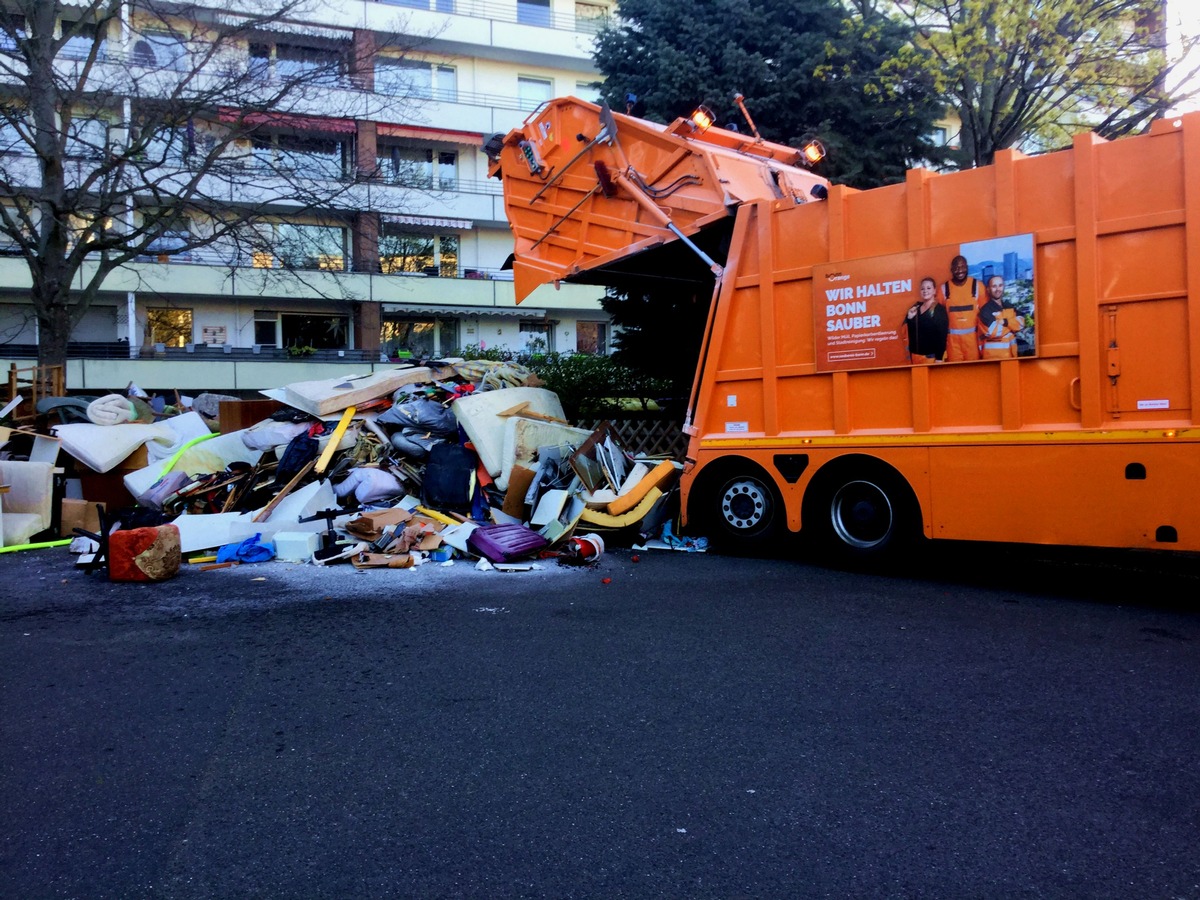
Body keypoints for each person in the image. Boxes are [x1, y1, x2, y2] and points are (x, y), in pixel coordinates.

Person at [941, 254, 984, 361]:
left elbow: (986, 316)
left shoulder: (978, 286)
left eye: (962, 267)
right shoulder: (943, 289)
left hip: (973, 344)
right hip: (952, 345)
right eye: (956, 268)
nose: (959, 270)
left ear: (967, 267)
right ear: (951, 270)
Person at [902, 276, 948, 363]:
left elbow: (942, 336)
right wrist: (910, 318)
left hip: (931, 358)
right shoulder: (916, 308)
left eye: (928, 288)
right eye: (922, 288)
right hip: (916, 357)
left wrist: (939, 358)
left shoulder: (939, 310)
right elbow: (912, 333)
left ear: (934, 290)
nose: (925, 291)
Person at [976, 275, 1023, 359]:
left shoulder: (1009, 306)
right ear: (988, 289)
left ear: (1003, 287)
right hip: (992, 359)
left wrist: (1005, 322)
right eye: (994, 286)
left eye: (1000, 285)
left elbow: (1021, 322)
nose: (998, 289)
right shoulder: (985, 311)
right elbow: (993, 331)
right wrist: (1012, 325)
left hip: (1011, 356)